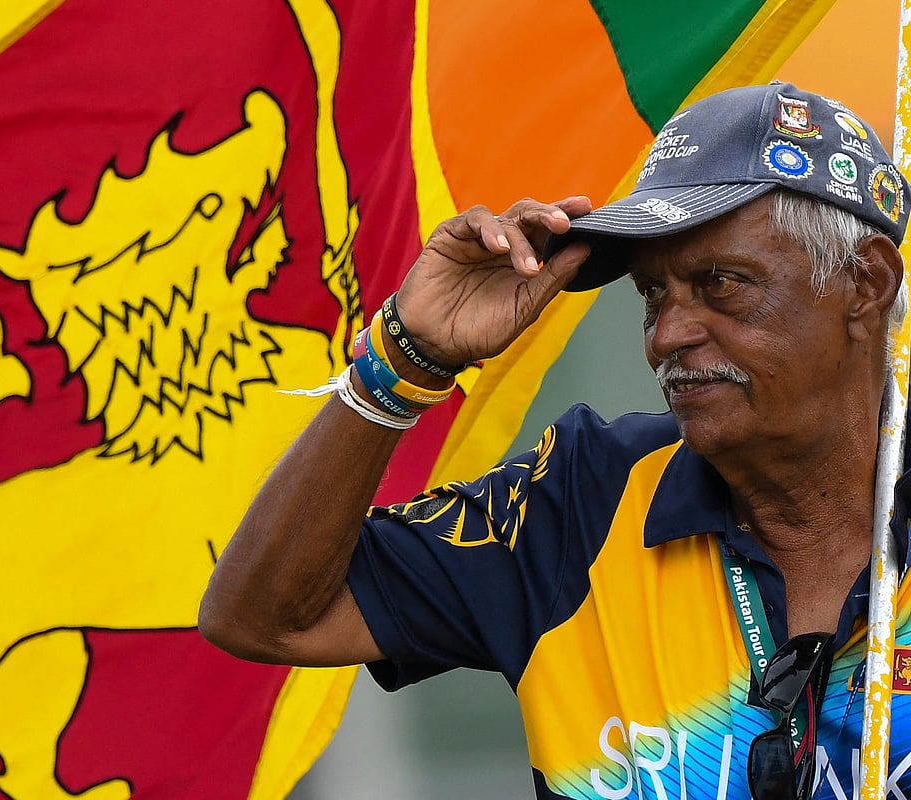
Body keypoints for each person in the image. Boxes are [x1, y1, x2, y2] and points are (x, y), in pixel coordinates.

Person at [199, 81, 911, 800]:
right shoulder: (582, 496)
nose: (667, 335)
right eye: (652, 294)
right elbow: (264, 617)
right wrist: (405, 363)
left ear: (865, 284)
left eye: (720, 283)